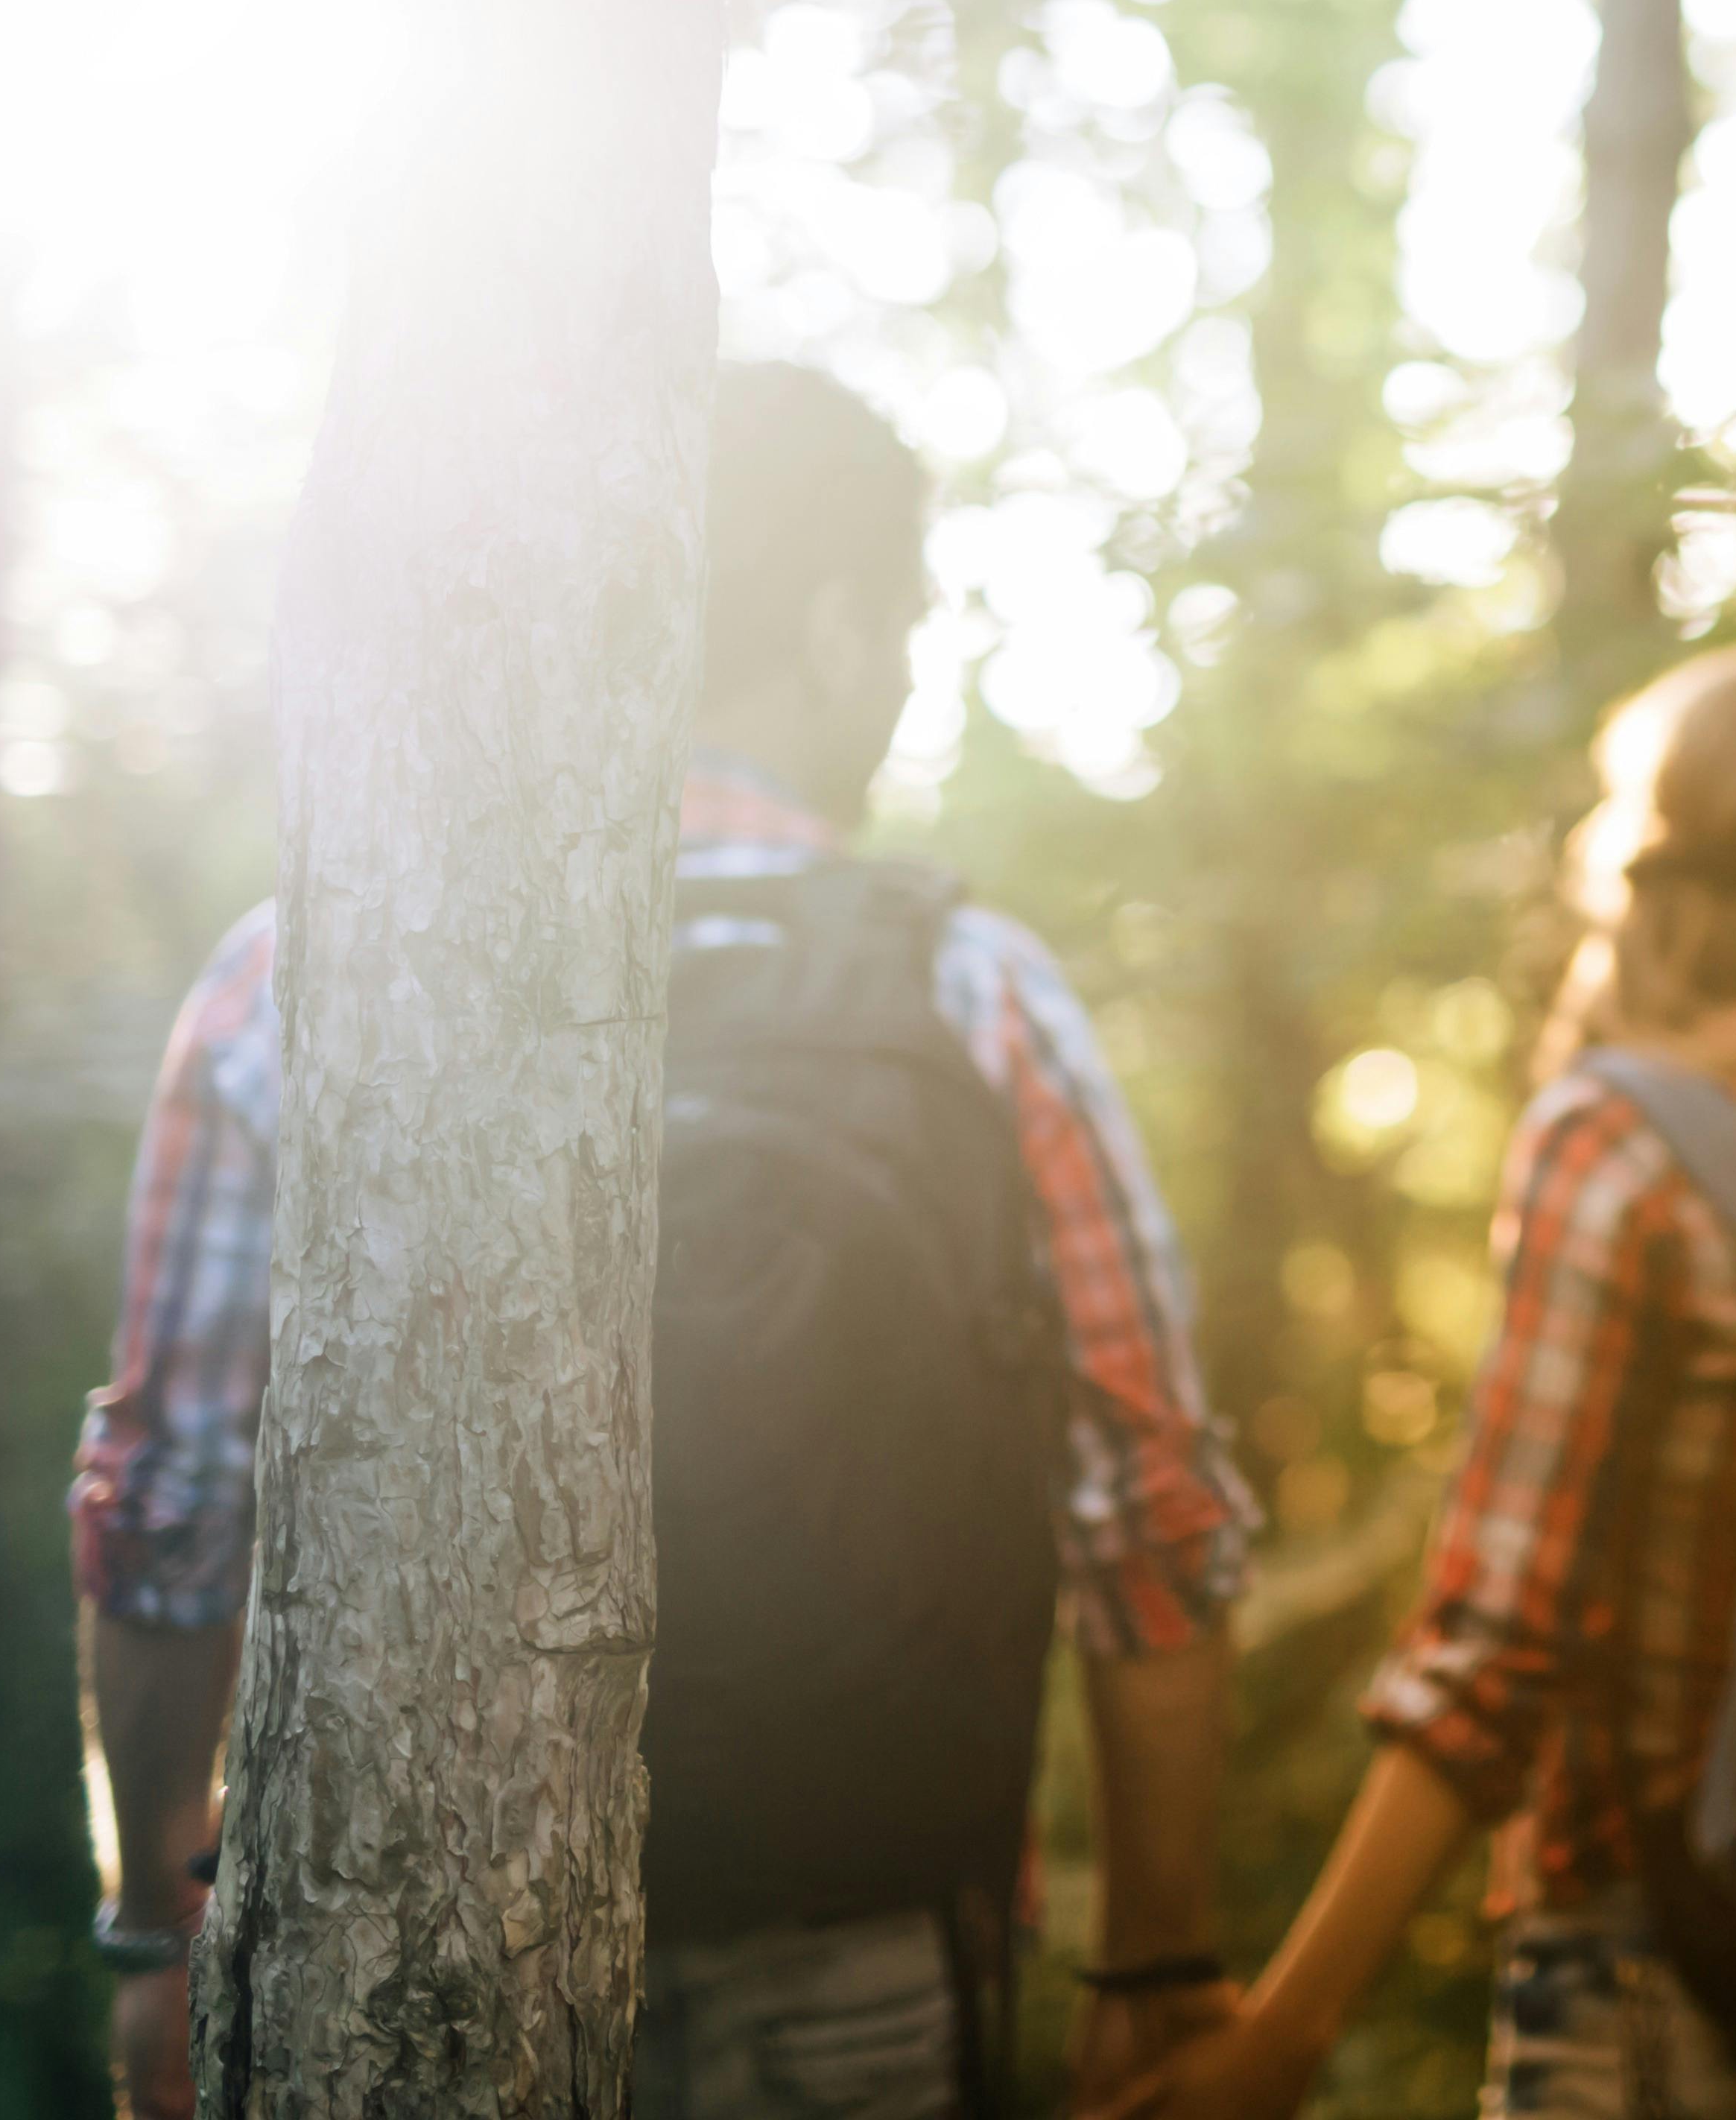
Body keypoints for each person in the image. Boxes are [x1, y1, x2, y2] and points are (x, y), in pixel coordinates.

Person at [69, 361, 1260, 2120]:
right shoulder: (975, 995)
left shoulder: (304, 969)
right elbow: (1150, 1516)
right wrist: (1159, 1963)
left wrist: (162, 1933)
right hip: (860, 1936)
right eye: (909, 623)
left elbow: (170, 1504)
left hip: (408, 1945)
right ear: (844, 622)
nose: (913, 671)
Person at [1119, 643, 1736, 2120]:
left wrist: (1286, 2030)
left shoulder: (1624, 1143)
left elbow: (1498, 1647)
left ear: (1649, 848)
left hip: (1663, 1965)